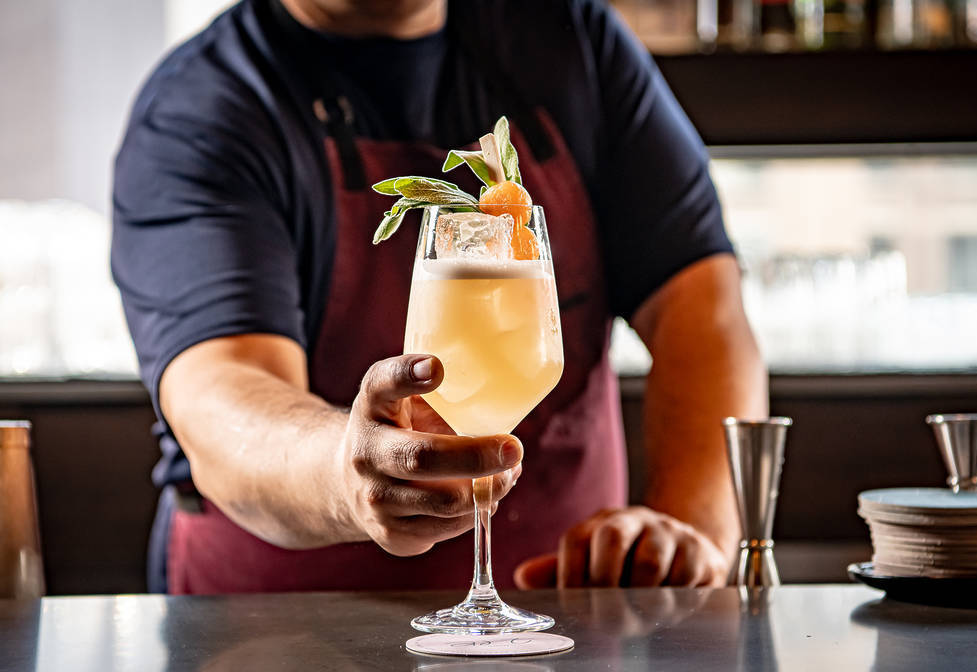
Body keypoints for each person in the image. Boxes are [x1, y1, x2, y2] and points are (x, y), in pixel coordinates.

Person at [112, 0, 767, 595]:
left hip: (559, 623)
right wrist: (348, 474)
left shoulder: (571, 41)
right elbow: (223, 389)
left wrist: (688, 539)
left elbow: (700, 312)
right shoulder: (201, 110)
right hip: (284, 627)